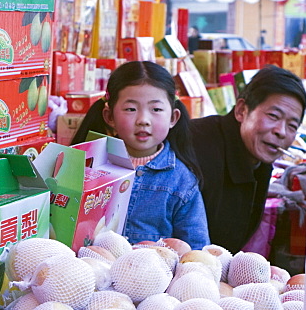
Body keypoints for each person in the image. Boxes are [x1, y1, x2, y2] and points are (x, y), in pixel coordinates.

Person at [71, 61, 209, 249]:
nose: (143, 120)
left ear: (173, 118)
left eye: (156, 109)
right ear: (109, 116)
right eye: (131, 109)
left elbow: (196, 250)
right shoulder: (89, 165)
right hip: (92, 271)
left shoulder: (181, 181)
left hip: (153, 276)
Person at [189, 65, 305, 253]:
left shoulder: (258, 157)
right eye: (273, 116)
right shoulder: (197, 147)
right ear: (242, 110)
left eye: (292, 125)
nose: (281, 131)